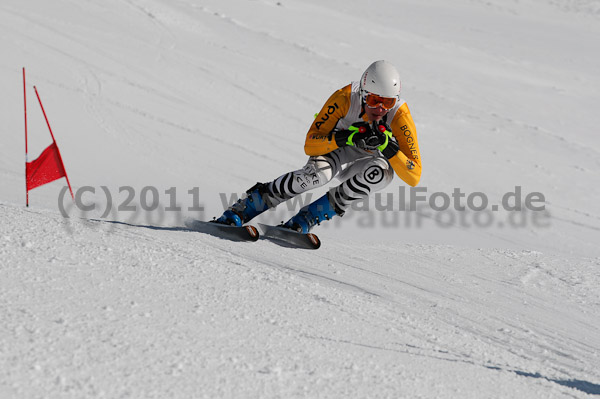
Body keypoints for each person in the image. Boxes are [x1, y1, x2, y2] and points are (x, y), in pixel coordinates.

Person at [214, 60, 422, 233]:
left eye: (387, 102)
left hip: (368, 160)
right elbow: (310, 144)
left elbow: (414, 175)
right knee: (317, 176)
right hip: (337, 149)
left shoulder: (400, 115)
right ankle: (243, 210)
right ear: (363, 94)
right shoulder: (344, 98)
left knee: (379, 174)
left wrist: (388, 147)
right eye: (375, 100)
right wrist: (347, 138)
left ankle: (307, 218)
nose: (380, 108)